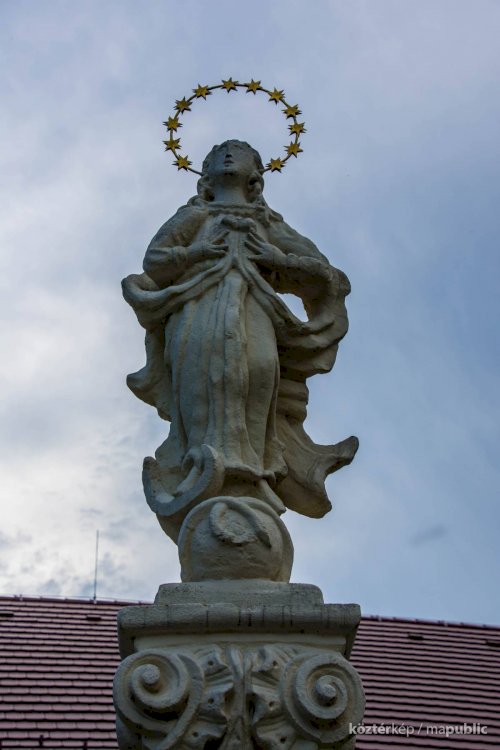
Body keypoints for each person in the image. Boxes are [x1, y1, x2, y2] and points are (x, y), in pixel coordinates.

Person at [122, 140, 357, 541]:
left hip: (254, 311)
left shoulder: (267, 222)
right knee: (200, 380)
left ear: (256, 177)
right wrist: (196, 253)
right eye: (217, 154)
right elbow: (155, 260)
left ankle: (254, 471)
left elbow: (322, 274)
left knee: (256, 372)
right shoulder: (195, 215)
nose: (228, 154)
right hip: (197, 310)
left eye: (240, 152)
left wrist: (275, 259)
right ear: (205, 176)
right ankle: (201, 465)